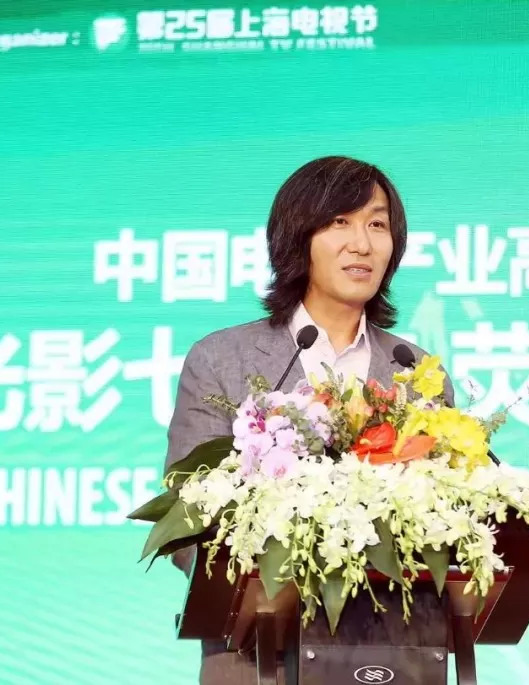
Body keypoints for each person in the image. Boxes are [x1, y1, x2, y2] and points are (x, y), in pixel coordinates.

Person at [164, 156, 454, 684]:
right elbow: (189, 522)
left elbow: (451, 520)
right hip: (259, 661)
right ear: (297, 237)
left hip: (392, 658)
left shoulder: (415, 373)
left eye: (377, 224)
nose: (361, 244)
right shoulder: (222, 361)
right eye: (339, 222)